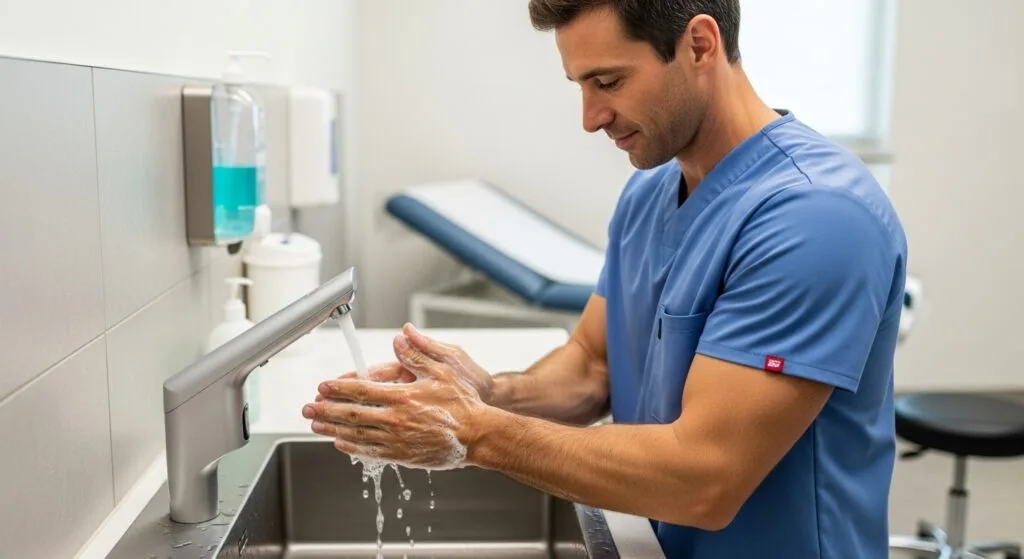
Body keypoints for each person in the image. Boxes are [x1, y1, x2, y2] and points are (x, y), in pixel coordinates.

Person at [302, 1, 907, 557]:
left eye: (609, 82)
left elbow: (705, 476)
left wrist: (474, 432)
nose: (591, 119)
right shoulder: (649, 193)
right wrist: (487, 393)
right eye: (580, 86)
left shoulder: (816, 217)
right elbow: (594, 365)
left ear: (699, 45)